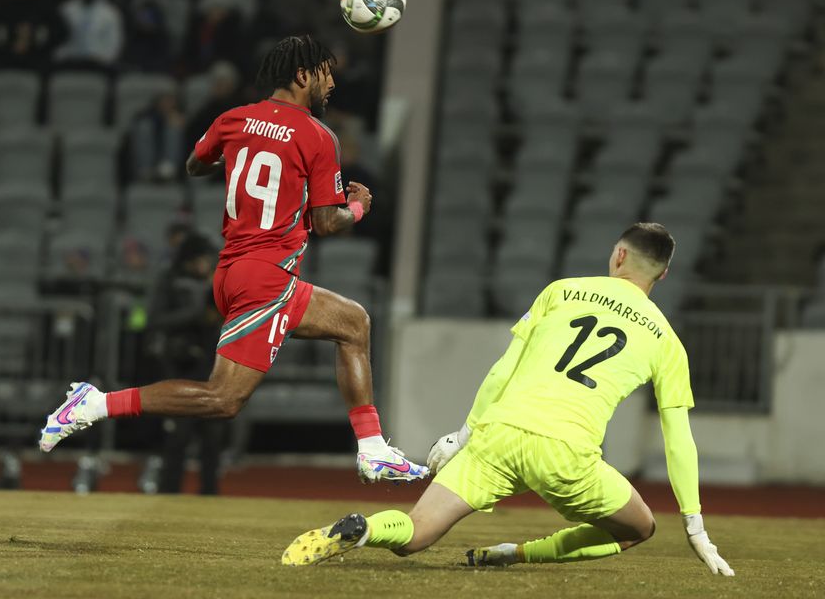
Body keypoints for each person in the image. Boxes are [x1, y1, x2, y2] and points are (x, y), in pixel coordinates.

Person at [39, 35, 428, 484]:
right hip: (265, 277)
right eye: (325, 73)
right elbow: (327, 224)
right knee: (223, 399)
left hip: (238, 271)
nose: (332, 83)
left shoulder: (234, 118)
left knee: (353, 323)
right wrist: (358, 207)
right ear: (303, 75)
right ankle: (94, 404)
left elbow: (194, 164)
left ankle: (373, 449)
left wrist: (240, 155)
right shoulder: (319, 136)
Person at [282, 223, 735, 577]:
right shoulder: (668, 341)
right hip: (566, 453)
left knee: (415, 534)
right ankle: (516, 554)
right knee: (639, 528)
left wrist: (462, 437)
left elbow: (503, 369)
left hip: (497, 435)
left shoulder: (561, 291)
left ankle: (364, 529)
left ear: (619, 254)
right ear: (663, 273)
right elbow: (679, 441)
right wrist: (694, 525)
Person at [145, 229, 226, 494]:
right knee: (178, 436)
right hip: (179, 365)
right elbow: (154, 320)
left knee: (212, 436)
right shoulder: (169, 280)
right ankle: (169, 493)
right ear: (188, 260)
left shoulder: (216, 281)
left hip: (211, 366)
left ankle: (210, 493)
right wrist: (195, 315)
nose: (204, 265)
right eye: (199, 259)